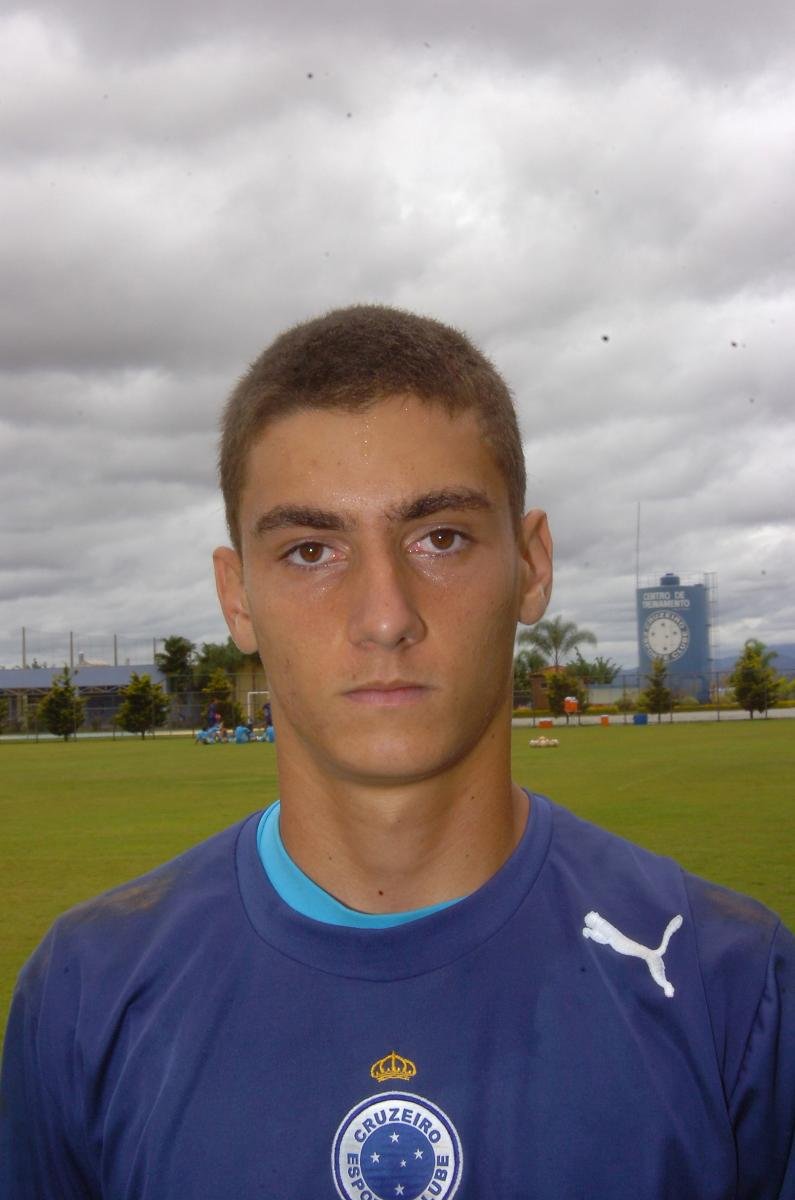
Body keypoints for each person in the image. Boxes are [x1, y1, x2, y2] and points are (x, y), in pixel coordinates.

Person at [1, 306, 793, 1198]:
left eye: (440, 538)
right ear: (238, 598)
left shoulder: (729, 984)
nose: (385, 615)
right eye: (309, 550)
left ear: (531, 566)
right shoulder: (88, 993)